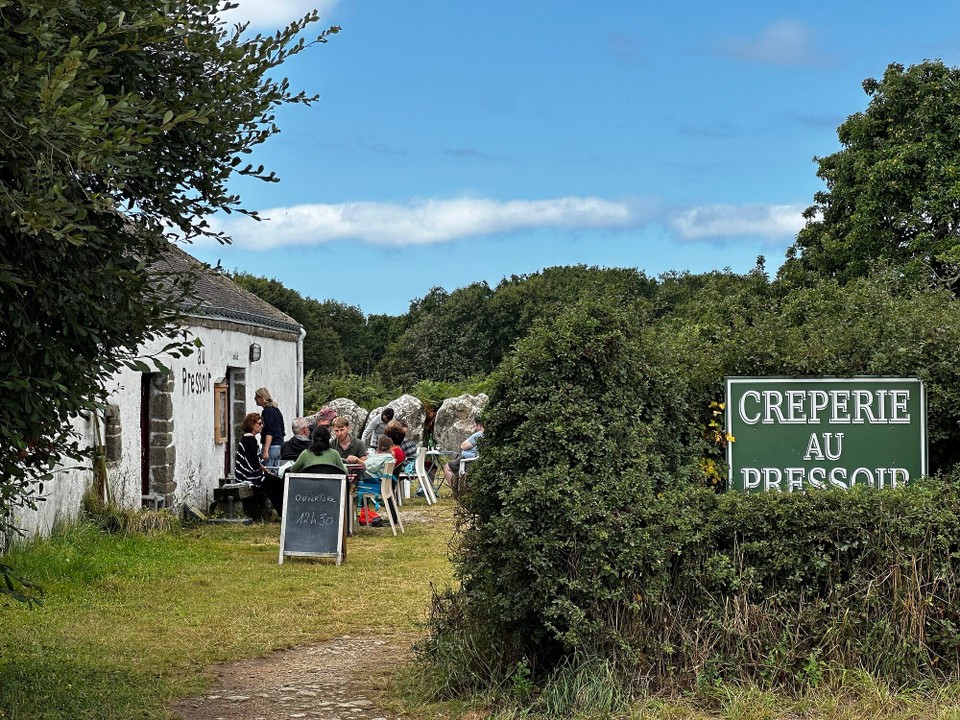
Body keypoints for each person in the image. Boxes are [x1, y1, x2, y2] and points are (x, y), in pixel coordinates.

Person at [443, 419, 483, 487]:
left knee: (447, 467)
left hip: (468, 461)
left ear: (479, 425)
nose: (474, 427)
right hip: (476, 460)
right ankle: (461, 488)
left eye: (475, 425)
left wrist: (474, 434)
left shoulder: (479, 434)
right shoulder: (487, 434)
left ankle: (456, 491)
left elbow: (463, 446)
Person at [254, 387, 285, 475]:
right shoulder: (276, 410)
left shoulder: (267, 412)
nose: (255, 399)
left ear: (261, 398)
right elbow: (282, 430)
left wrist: (265, 450)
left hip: (271, 447)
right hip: (278, 446)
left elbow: (269, 432)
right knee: (276, 473)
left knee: (268, 473)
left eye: (256, 397)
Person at [235, 413, 266, 484]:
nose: (262, 426)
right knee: (277, 482)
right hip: (246, 476)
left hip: (244, 474)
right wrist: (268, 471)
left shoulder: (247, 438)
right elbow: (254, 463)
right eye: (259, 424)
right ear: (252, 424)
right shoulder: (250, 439)